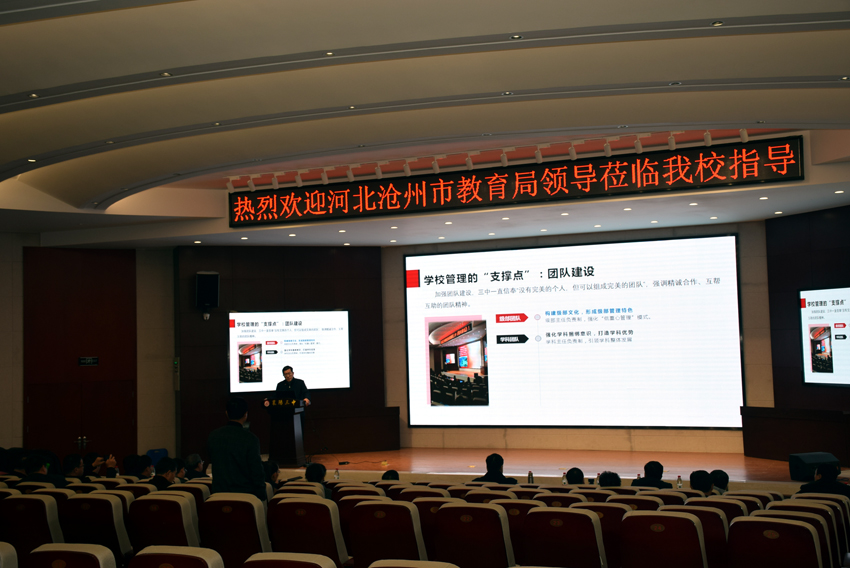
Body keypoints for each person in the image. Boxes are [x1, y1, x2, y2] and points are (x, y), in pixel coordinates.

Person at [207, 397, 266, 501]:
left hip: (218, 496)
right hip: (244, 497)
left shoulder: (213, 436)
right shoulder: (250, 438)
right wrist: (262, 495)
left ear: (226, 413)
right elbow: (256, 471)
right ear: (245, 414)